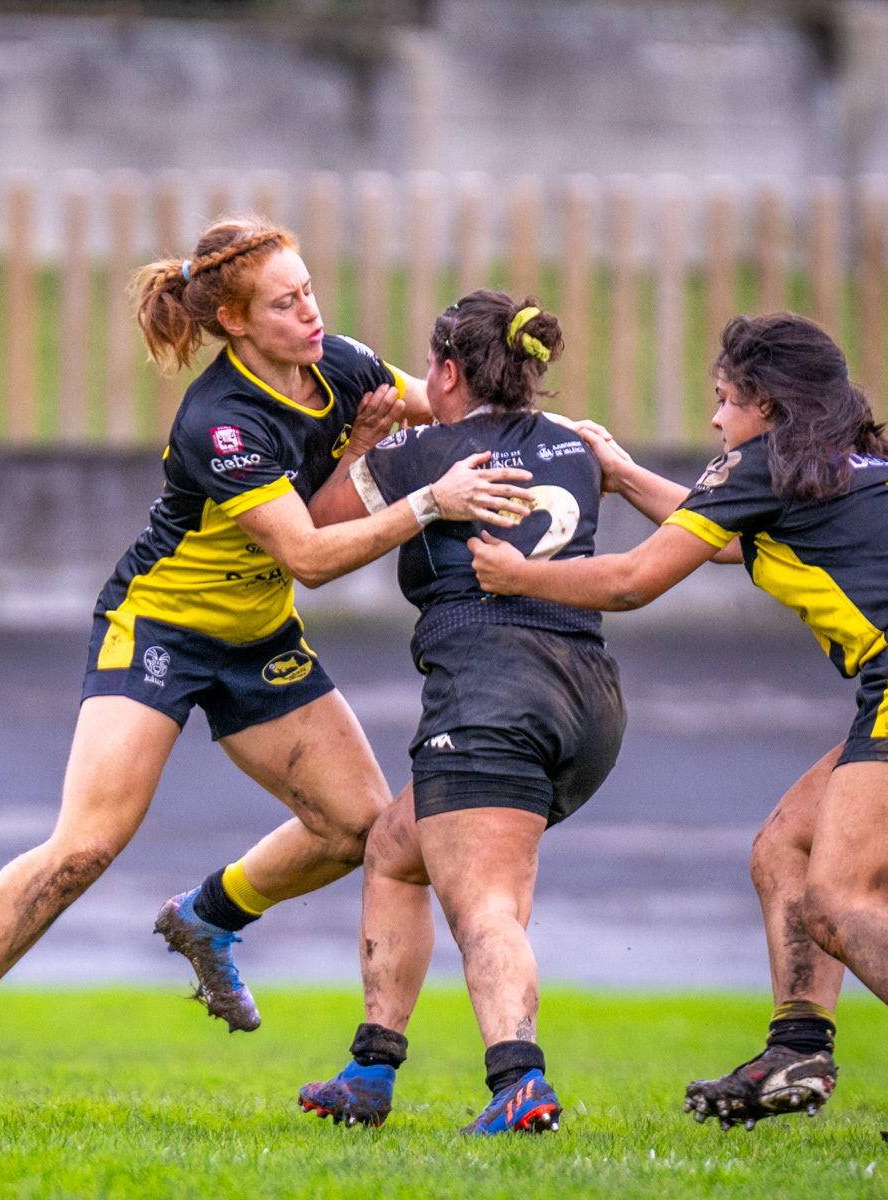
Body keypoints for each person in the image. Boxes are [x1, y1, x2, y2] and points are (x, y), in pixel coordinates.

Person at [0, 217, 536, 1123]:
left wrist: (572, 441)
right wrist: (429, 500)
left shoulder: (340, 365)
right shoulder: (220, 421)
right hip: (160, 626)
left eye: (309, 290)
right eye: (285, 302)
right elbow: (309, 556)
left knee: (360, 829)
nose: (311, 313)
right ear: (232, 320)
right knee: (86, 845)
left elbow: (457, 413)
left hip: (258, 637)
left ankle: (208, 916)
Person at [467, 313, 888, 1151]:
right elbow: (726, 541)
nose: (714, 420)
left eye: (724, 400)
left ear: (766, 405)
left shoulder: (763, 463)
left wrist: (523, 575)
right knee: (786, 850)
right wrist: (628, 476)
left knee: (844, 901)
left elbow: (637, 579)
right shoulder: (836, 460)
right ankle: (796, 1054)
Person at [290, 291, 622, 1135]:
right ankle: (371, 1066)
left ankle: (519, 1081)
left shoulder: (423, 455)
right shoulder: (577, 446)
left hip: (491, 693)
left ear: (444, 371)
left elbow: (318, 529)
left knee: (485, 907)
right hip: (586, 698)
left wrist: (365, 445)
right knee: (397, 850)